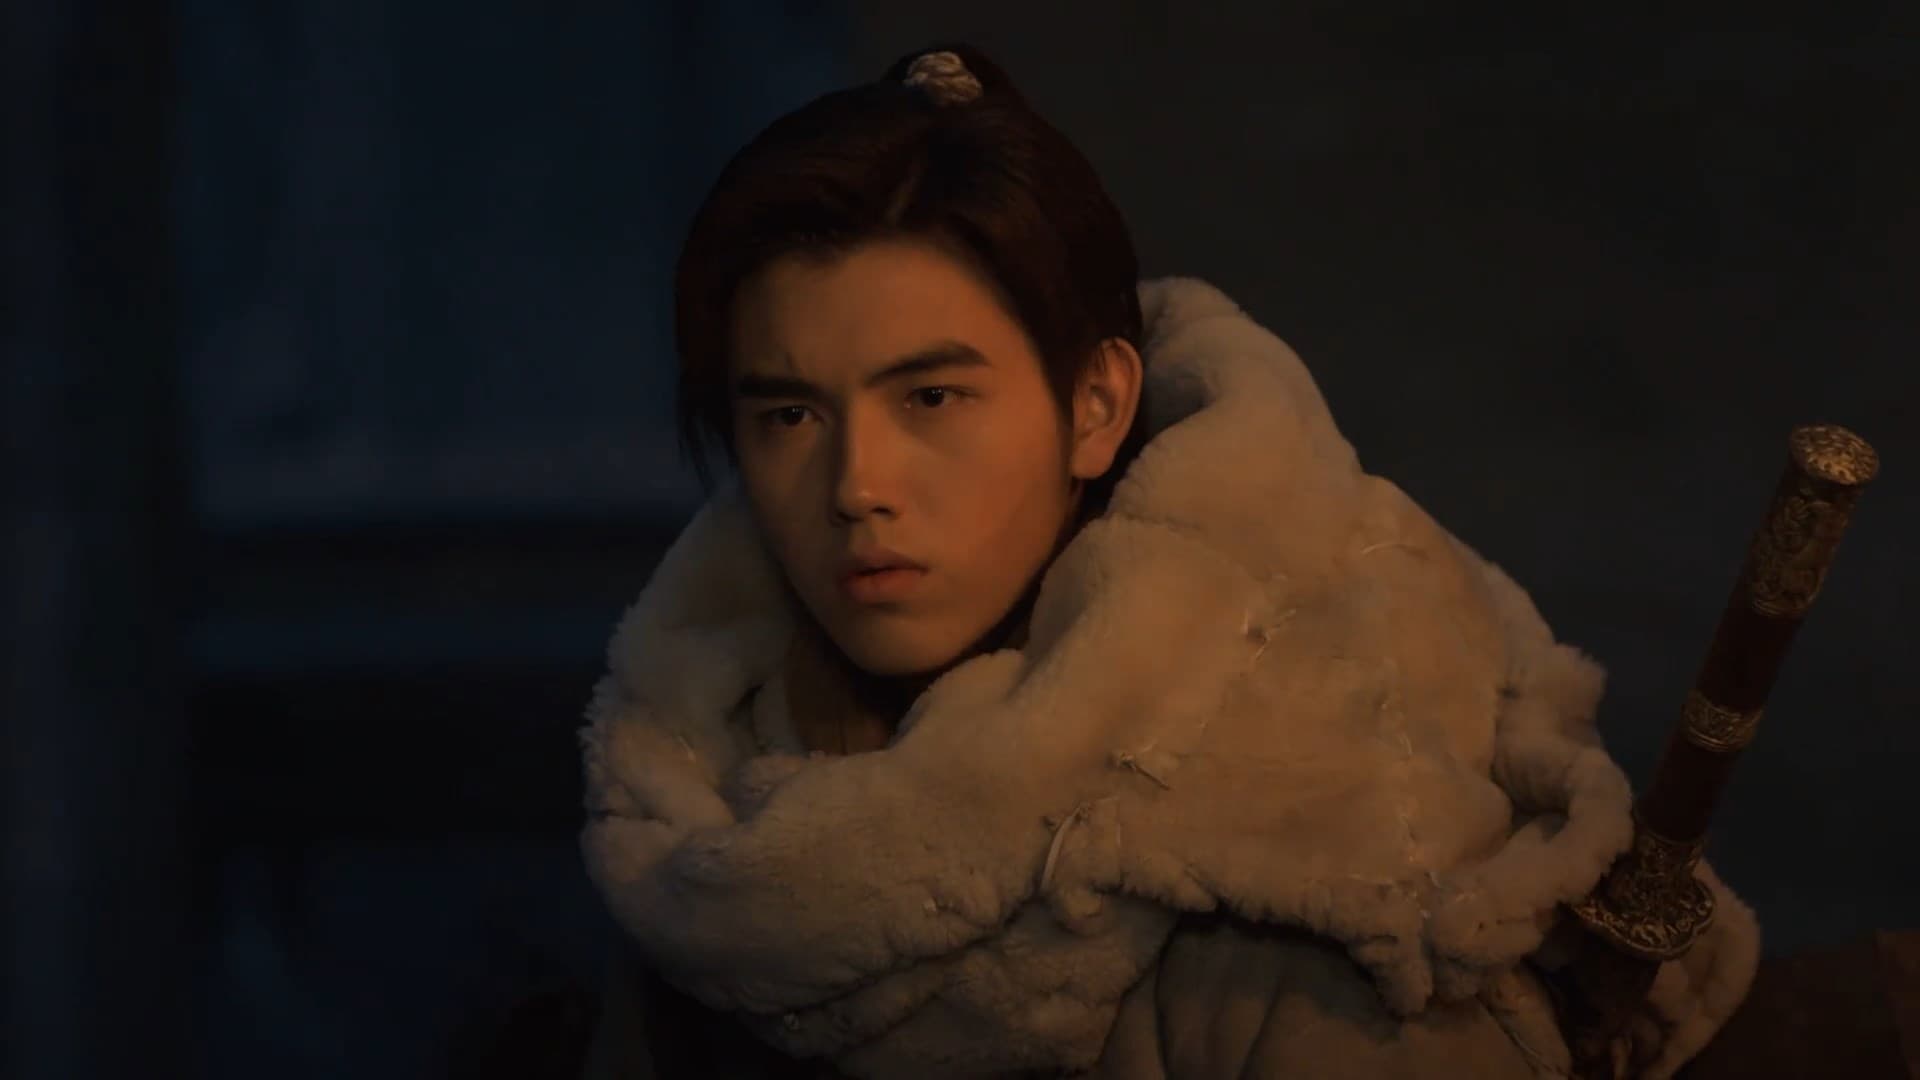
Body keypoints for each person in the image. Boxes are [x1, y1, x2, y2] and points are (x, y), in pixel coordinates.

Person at [576, 44, 1759, 1078]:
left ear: (1094, 407)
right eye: (789, 415)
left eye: (931, 397)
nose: (856, 484)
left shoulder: (1325, 866)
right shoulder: (701, 833)